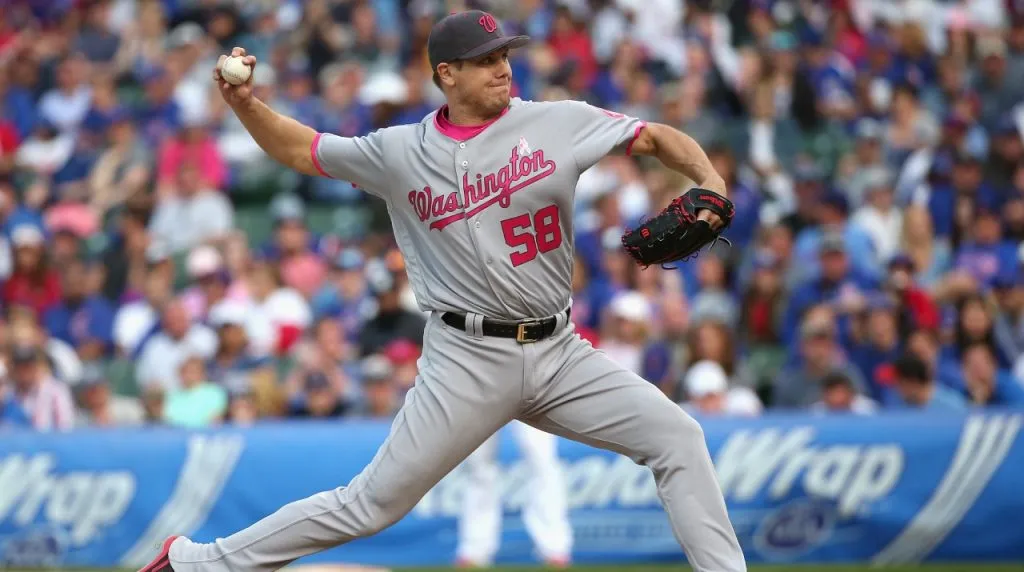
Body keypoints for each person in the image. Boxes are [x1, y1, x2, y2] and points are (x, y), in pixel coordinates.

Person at [139, 11, 745, 572]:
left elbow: (656, 137)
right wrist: (247, 105)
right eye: (485, 59)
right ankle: (197, 562)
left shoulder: (559, 122)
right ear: (445, 74)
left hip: (560, 351)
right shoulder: (400, 152)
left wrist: (710, 180)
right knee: (371, 505)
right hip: (467, 357)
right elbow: (300, 148)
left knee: (678, 438)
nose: (502, 67)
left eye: (504, 54)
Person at [455, 420, 572, 568]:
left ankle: (554, 548)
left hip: (528, 397)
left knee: (542, 461)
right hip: (480, 397)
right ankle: (475, 549)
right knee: (478, 469)